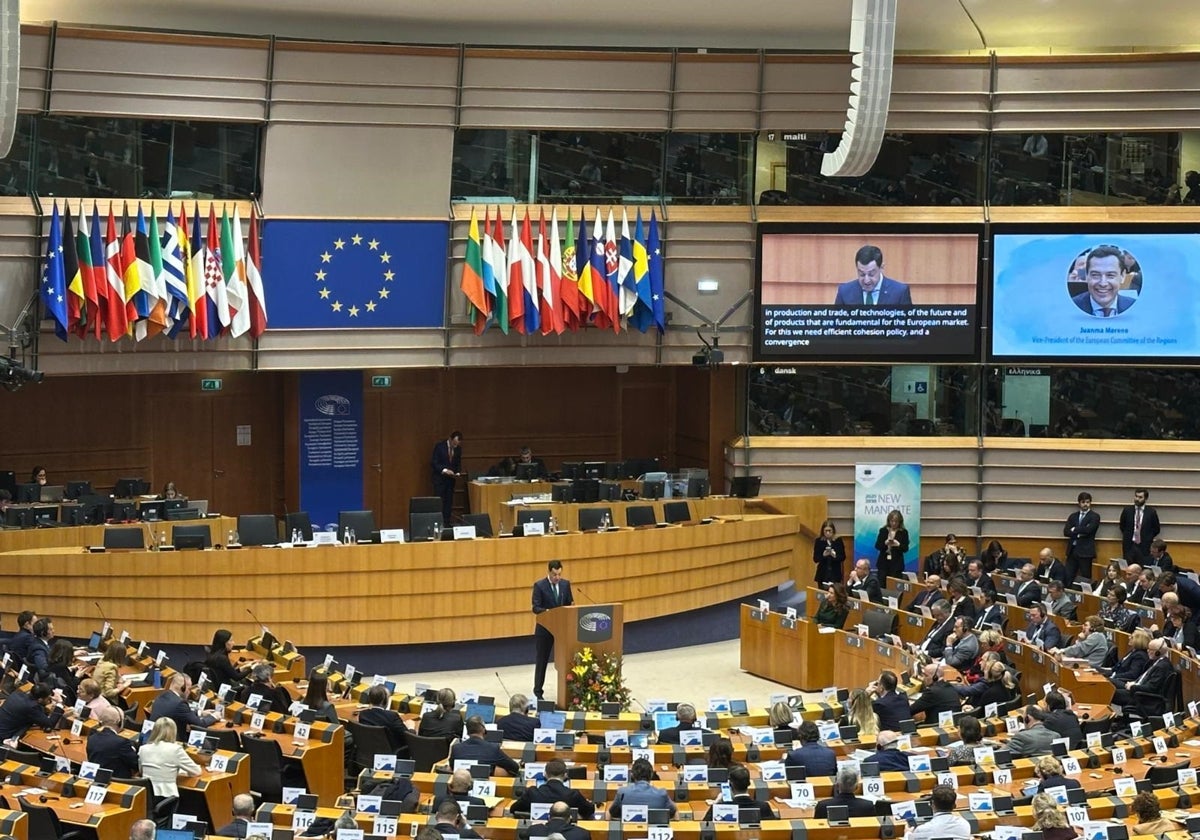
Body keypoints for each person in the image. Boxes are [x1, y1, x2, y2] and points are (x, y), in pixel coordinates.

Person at [531, 559, 574, 700]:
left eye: (559, 574)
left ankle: (568, 691)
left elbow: (570, 603)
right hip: (545, 629)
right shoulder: (539, 586)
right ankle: (538, 692)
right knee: (542, 660)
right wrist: (549, 612)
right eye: (555, 575)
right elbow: (535, 607)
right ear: (549, 572)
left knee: (567, 660)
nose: (557, 578)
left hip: (562, 629)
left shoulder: (565, 584)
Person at [138, 716, 202, 797]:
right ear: (173, 732)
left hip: (146, 796)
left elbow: (141, 771)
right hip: (167, 797)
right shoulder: (176, 749)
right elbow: (196, 771)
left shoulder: (143, 749)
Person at [511, 758, 595, 818]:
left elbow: (513, 809)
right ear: (565, 775)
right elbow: (590, 811)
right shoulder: (573, 794)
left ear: (545, 774)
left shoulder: (532, 792)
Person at [833, 245, 912, 306]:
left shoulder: (900, 292)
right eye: (862, 274)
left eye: (871, 274)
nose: (866, 280)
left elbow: (908, 325)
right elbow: (835, 325)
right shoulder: (845, 292)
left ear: (881, 267)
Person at [1112, 637, 1175, 709]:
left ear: (1158, 652)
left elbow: (1151, 688)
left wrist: (1133, 687)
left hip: (1143, 698)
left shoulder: (1162, 667)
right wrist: (1133, 683)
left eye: (1151, 649)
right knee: (1109, 684)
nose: (1147, 651)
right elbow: (1143, 678)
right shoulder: (1156, 662)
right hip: (1137, 690)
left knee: (1109, 692)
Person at [1072, 245, 1133, 317]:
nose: (1103, 283)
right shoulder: (1070, 306)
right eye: (1095, 275)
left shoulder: (1134, 306)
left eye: (1110, 275)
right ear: (1086, 275)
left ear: (1122, 276)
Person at [449, 716, 519, 776]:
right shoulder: (493, 748)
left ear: (467, 731)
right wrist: (494, 771)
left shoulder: (456, 748)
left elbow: (452, 768)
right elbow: (515, 767)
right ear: (483, 729)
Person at [701, 766, 775, 822]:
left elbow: (705, 828)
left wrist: (716, 803)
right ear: (749, 783)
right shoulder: (764, 806)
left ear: (731, 784)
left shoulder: (718, 808)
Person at [149, 673, 218, 734]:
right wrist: (214, 716)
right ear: (183, 688)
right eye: (189, 688)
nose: (190, 691)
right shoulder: (180, 704)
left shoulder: (161, 696)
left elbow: (179, 713)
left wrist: (200, 713)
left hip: (155, 736)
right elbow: (200, 724)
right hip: (171, 740)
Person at [609, 757, 675, 818]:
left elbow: (611, 813)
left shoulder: (622, 792)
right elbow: (674, 812)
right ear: (651, 775)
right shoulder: (662, 794)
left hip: (630, 829)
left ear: (632, 775)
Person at [85, 706, 139, 778]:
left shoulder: (91, 738)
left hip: (97, 779)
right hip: (119, 783)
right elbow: (135, 764)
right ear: (119, 722)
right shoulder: (121, 742)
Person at [0, 683, 68, 741]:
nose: (49, 701)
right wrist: (60, 703)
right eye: (48, 698)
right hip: (4, 737)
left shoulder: (17, 694)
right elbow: (50, 723)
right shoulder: (31, 707)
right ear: (40, 700)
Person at [358, 684, 410, 755]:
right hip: (391, 754)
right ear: (384, 700)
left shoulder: (363, 714)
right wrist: (411, 728)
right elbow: (407, 737)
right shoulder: (392, 716)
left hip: (369, 753)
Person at [906, 785, 970, 840]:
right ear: (954, 805)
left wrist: (907, 834)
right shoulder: (964, 825)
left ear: (932, 804)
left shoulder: (922, 830)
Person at [1063, 491, 1100, 584]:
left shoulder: (1094, 516)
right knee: (1068, 576)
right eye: (1083, 502)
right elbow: (1066, 532)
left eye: (1087, 502)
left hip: (1086, 552)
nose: (1085, 504)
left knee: (1085, 577)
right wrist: (1080, 532)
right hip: (1072, 551)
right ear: (1079, 503)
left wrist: (1074, 529)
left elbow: (1089, 531)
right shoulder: (1073, 516)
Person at [1118, 488, 1159, 565]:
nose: (1137, 499)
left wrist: (1147, 537)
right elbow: (1122, 526)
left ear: (1145, 498)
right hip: (1130, 545)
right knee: (1129, 569)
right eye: (1136, 496)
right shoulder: (1127, 510)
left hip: (1144, 546)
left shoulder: (1151, 512)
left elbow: (1156, 529)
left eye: (1140, 497)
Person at [431, 430, 463, 523]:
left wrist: (457, 472)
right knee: (439, 502)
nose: (455, 446)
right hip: (439, 480)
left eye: (457, 444)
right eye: (454, 443)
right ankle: (437, 523)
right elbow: (434, 463)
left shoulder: (458, 449)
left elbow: (458, 463)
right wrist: (445, 470)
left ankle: (447, 523)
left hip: (450, 480)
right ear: (450, 439)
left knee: (448, 503)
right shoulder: (439, 447)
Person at [874, 509, 909, 581]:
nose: (893, 523)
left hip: (897, 564)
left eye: (896, 521)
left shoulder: (903, 532)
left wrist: (898, 544)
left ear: (900, 522)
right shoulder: (883, 530)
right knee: (882, 584)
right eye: (892, 521)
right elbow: (877, 546)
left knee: (894, 585)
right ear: (888, 521)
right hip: (883, 563)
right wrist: (885, 543)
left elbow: (905, 548)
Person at [93, 640, 129, 706]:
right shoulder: (111, 667)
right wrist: (124, 686)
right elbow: (109, 693)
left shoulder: (102, 661)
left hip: (96, 697)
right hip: (105, 702)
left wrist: (118, 678)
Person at [812, 519, 846, 587]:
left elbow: (843, 557)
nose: (828, 533)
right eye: (826, 531)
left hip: (835, 573)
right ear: (823, 531)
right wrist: (823, 555)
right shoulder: (819, 541)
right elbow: (815, 559)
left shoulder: (838, 541)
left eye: (829, 530)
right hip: (823, 574)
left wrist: (834, 556)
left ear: (833, 531)